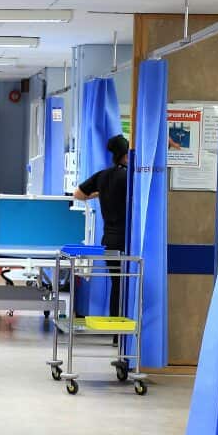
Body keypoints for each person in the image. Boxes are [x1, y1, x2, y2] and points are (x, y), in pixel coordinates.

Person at [73, 134, 130, 320]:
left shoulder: (103, 175)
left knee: (117, 283)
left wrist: (99, 195)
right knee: (128, 284)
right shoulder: (130, 176)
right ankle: (126, 328)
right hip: (127, 239)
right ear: (127, 154)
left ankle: (116, 332)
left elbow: (78, 194)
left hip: (109, 240)